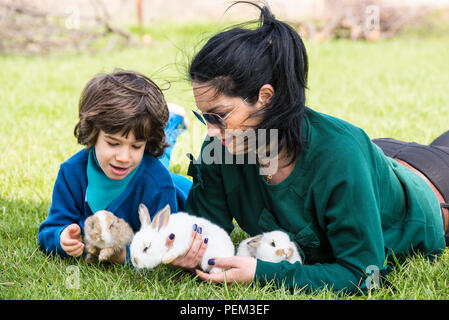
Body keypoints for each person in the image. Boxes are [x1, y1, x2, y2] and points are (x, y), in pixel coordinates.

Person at [165, 3, 448, 293]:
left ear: (265, 97)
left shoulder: (340, 156)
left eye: (219, 116)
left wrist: (263, 273)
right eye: (204, 116)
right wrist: (190, 250)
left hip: (433, 186)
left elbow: (365, 276)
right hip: (379, 159)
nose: (210, 131)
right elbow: (205, 231)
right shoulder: (221, 146)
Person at [38, 69, 192, 263]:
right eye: (113, 143)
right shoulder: (71, 173)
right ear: (92, 133)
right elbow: (50, 229)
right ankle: (172, 120)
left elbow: (162, 247)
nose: (124, 157)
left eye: (136, 146)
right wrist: (60, 238)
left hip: (176, 187)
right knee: (150, 162)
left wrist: (123, 255)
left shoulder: (160, 185)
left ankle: (172, 122)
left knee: (158, 160)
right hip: (144, 171)